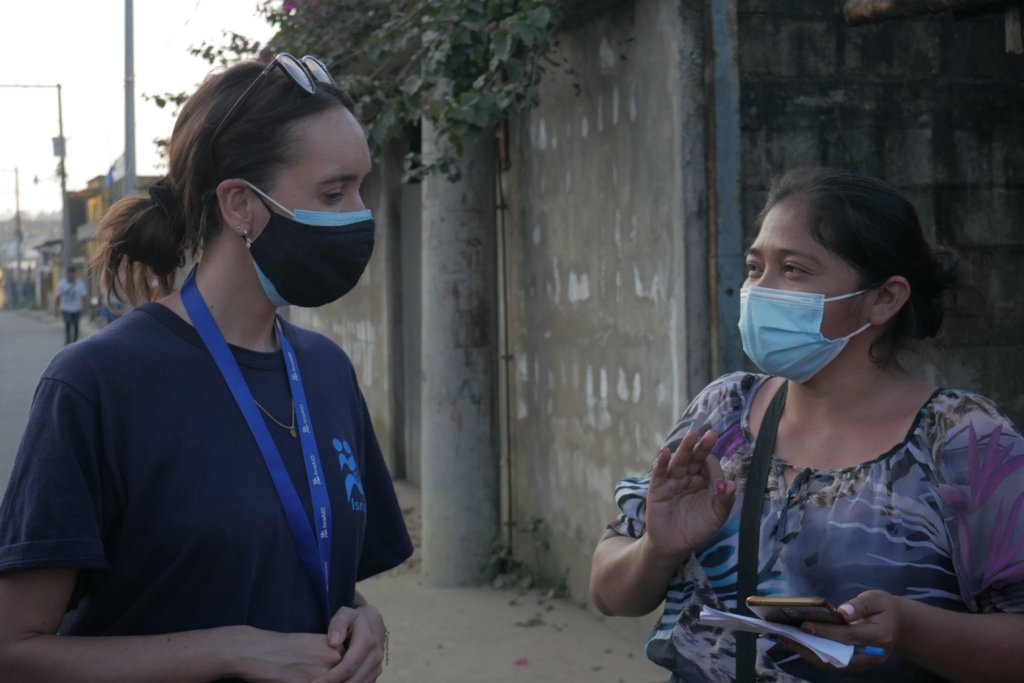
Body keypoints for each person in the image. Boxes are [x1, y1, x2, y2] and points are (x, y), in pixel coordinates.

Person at [0, 53, 413, 682]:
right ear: (240, 205)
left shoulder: (326, 371)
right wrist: (229, 650)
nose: (360, 214)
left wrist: (364, 619)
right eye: (334, 192)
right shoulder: (97, 384)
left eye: (361, 188)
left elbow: (287, 571)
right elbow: (15, 649)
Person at [589, 167, 1024, 682]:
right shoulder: (724, 410)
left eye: (793, 270)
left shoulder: (963, 439)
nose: (759, 290)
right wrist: (658, 549)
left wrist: (908, 628)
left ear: (884, 297)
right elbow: (608, 593)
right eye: (755, 267)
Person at [55, 264, 89, 344]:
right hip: (66, 309)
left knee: (76, 325)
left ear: (75, 274)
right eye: (69, 273)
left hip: (76, 309)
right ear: (66, 274)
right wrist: (56, 309)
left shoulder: (80, 284)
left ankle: (75, 342)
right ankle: (67, 342)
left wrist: (85, 308)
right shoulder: (61, 284)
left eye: (72, 273)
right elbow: (58, 297)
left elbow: (84, 297)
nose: (70, 275)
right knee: (68, 324)